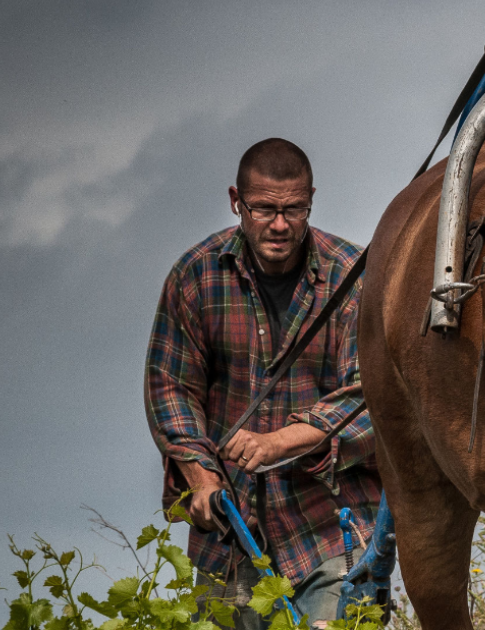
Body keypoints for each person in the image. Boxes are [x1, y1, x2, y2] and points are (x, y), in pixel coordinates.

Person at [144, 138, 380, 628]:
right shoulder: (196, 276)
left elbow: (373, 397)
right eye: (264, 209)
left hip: (332, 529)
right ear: (237, 201)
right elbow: (170, 388)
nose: (279, 224)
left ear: (311, 199)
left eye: (294, 209)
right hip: (228, 540)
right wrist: (202, 478)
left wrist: (281, 443)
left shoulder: (355, 277)